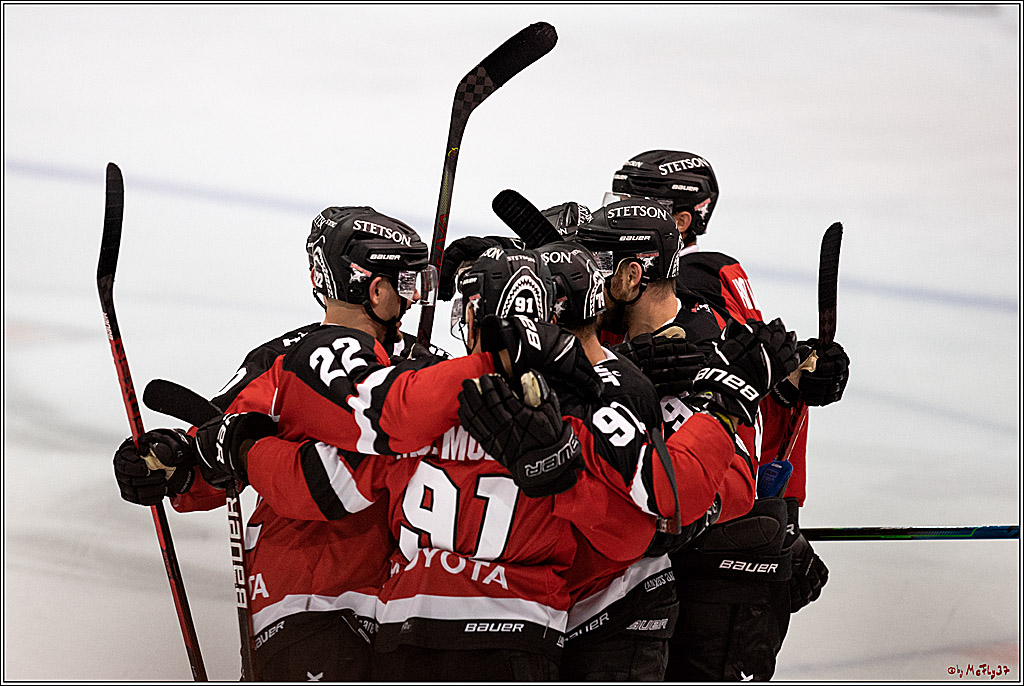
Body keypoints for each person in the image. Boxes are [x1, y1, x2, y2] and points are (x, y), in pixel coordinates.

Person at [112, 206, 588, 681]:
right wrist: (172, 460)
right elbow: (216, 449)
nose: (414, 299)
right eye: (405, 284)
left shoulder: (425, 364)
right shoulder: (291, 359)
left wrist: (505, 268)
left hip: (391, 615)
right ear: (372, 288)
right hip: (310, 599)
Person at [604, 151, 850, 680]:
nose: (618, 210)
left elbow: (746, 386)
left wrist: (798, 382)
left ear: (680, 220)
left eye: (632, 200)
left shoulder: (707, 279)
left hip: (704, 529)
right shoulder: (607, 272)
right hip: (647, 539)